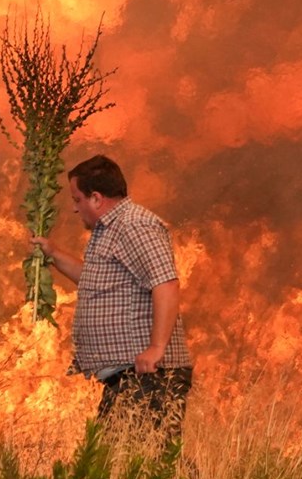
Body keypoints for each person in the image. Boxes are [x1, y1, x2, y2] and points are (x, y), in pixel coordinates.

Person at [32, 154, 193, 440]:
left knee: (141, 466)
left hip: (149, 374)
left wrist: (156, 347)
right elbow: (95, 281)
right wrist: (54, 253)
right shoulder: (110, 230)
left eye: (77, 199)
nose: (74, 208)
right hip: (129, 377)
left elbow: (166, 283)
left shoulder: (135, 225)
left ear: (96, 198)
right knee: (120, 464)